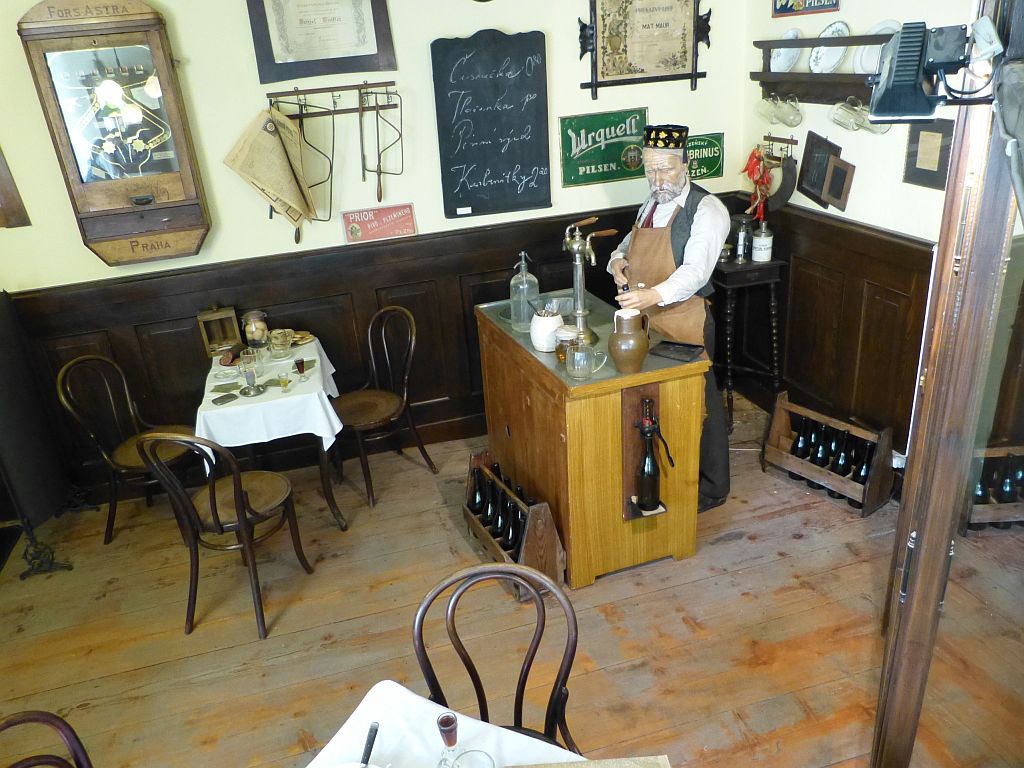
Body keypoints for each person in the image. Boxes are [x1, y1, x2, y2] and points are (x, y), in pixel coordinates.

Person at [609, 124, 731, 512]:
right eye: (650, 170)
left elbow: (695, 271)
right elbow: (627, 244)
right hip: (651, 322)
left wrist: (653, 295)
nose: (658, 179)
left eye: (665, 169)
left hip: (686, 320)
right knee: (665, 403)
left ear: (686, 164)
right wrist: (617, 261)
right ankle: (675, 479)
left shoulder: (706, 209)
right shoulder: (651, 203)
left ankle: (712, 488)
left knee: (702, 405)